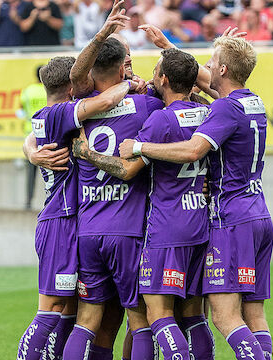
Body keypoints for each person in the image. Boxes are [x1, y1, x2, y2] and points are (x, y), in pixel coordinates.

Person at [119, 34, 273, 360]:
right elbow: (202, 80)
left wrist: (139, 147)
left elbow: (193, 150)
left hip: (230, 218)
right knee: (253, 315)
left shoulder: (223, 109)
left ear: (224, 68)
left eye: (211, 62)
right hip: (258, 212)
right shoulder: (251, 100)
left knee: (224, 316)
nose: (206, 68)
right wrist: (167, 45)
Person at [73, 47, 216, 360]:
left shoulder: (151, 117)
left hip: (159, 228)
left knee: (147, 316)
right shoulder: (202, 113)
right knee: (191, 313)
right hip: (197, 222)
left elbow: (127, 170)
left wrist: (86, 153)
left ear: (163, 78)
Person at [60, 1, 166, 358]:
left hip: (88, 231)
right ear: (123, 67)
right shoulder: (146, 105)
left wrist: (104, 32)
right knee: (140, 319)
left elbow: (76, 76)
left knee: (89, 319)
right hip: (128, 231)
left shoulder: (81, 107)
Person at [18, 55, 136, 360]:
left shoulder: (51, 116)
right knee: (51, 310)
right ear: (73, 86)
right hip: (59, 221)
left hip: (75, 221)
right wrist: (130, 82)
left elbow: (31, 136)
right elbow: (107, 100)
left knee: (69, 312)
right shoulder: (61, 112)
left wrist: (30, 151)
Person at [20, 66, 47, 209]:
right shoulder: (49, 89)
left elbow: (21, 109)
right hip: (48, 134)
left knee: (31, 172)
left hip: (30, 133)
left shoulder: (28, 91)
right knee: (51, 169)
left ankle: (28, 201)